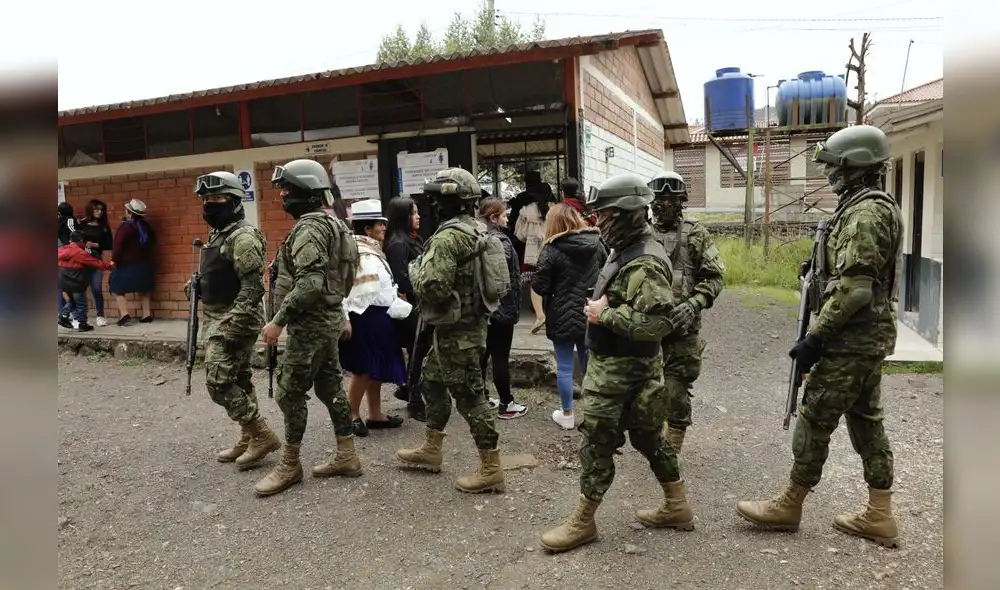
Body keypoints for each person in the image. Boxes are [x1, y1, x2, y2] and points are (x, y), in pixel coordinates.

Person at [736, 125, 904, 549]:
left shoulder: (865, 214)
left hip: (852, 340)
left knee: (814, 418)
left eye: (834, 166)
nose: (829, 174)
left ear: (854, 168)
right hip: (865, 338)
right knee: (867, 421)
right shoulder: (861, 208)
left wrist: (814, 337)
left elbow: (858, 289)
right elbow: (846, 276)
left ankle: (789, 505)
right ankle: (879, 514)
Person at [540, 172, 694, 553]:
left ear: (628, 214)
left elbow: (658, 323)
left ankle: (583, 522)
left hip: (621, 373)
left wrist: (603, 315)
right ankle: (678, 506)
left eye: (605, 215)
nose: (598, 222)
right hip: (624, 369)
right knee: (648, 438)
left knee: (596, 443)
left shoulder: (644, 262)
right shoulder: (625, 250)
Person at [395, 167, 505, 494]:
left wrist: (414, 270)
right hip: (465, 327)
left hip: (457, 332)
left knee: (471, 397)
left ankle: (491, 467)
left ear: (445, 201)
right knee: (431, 380)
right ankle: (432, 449)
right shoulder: (478, 229)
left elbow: (433, 287)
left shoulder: (448, 237)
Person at [255, 159, 362, 496]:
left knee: (289, 392)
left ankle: (290, 464)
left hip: (311, 325)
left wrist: (276, 322)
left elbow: (311, 283)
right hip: (328, 320)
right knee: (330, 387)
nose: (283, 196)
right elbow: (338, 278)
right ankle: (347, 455)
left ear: (305, 192)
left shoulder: (309, 229)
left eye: (287, 190)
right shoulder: (336, 224)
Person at [191, 171, 281, 470]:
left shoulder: (243, 237)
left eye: (215, 199)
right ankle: (248, 438)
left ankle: (261, 434)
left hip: (236, 318)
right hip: (215, 315)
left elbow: (253, 287)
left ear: (233, 201)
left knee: (217, 382)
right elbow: (219, 275)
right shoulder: (219, 234)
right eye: (205, 199)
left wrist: (234, 325)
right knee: (239, 379)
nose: (208, 205)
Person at [647, 171, 726, 453]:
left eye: (672, 199)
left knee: (676, 387)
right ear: (651, 201)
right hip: (644, 326)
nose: (665, 204)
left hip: (682, 327)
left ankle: (672, 445)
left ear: (682, 201)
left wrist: (694, 304)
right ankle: (649, 435)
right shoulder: (641, 233)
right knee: (644, 385)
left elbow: (715, 276)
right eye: (660, 198)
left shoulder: (696, 234)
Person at [531, 203, 607, 430]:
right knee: (590, 365)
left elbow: (541, 285)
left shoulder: (551, 249)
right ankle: (594, 414)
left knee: (564, 367)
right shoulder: (597, 243)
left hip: (561, 315)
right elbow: (608, 273)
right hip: (590, 311)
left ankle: (567, 415)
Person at [339, 198, 407, 436]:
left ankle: (375, 414)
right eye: (379, 224)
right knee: (364, 369)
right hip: (363, 316)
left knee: (375, 367)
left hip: (378, 315)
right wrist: (345, 318)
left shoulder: (370, 249)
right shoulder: (357, 251)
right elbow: (348, 290)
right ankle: (352, 414)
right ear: (367, 228)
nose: (384, 228)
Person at [477, 197, 527, 420]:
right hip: (502, 308)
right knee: (499, 357)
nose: (507, 218)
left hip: (485, 308)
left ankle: (483, 397)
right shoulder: (500, 241)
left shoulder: (476, 237)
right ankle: (507, 404)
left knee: (484, 354)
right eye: (504, 215)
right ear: (493, 218)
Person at [384, 195, 425, 416]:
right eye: (413, 213)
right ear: (402, 216)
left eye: (417, 212)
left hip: (418, 304)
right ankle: (415, 400)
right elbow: (402, 279)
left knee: (419, 350)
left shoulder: (412, 239)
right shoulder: (398, 244)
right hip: (410, 306)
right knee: (417, 351)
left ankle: (409, 390)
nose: (418, 217)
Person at [514, 179, 554, 334]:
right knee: (553, 282)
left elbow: (520, 234)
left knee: (534, 283)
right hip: (552, 250)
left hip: (532, 252)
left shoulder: (526, 211)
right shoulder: (556, 210)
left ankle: (540, 315)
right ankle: (551, 315)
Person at [109, 198, 156, 325]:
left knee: (118, 288)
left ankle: (124, 314)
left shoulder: (125, 227)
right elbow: (152, 243)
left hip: (126, 264)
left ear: (130, 213)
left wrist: (114, 260)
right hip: (145, 263)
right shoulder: (146, 226)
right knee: (144, 290)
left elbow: (118, 246)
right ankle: (146, 315)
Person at [58, 231, 114, 332]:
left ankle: (63, 316)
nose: (85, 244)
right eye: (85, 242)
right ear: (80, 241)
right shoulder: (80, 253)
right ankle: (82, 323)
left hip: (64, 282)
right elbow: (96, 263)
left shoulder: (61, 250)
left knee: (72, 301)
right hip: (76, 282)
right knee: (81, 304)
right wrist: (109, 266)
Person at [77, 199, 114, 326]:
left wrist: (95, 244)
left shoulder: (104, 227)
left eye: (101, 209)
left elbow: (109, 244)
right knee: (80, 289)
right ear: (90, 210)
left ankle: (100, 315)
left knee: (97, 288)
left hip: (96, 260)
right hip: (81, 261)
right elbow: (74, 239)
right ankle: (80, 316)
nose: (100, 212)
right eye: (97, 209)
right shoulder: (81, 224)